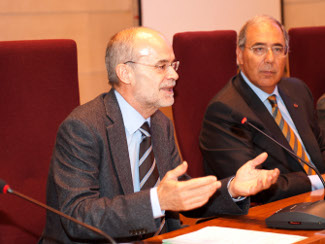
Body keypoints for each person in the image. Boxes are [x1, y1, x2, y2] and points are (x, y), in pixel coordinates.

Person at [39, 27, 279, 243]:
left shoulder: (160, 124)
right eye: (161, 66)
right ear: (125, 73)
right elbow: (77, 216)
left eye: (173, 65)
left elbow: (180, 193)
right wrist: (157, 201)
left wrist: (233, 188)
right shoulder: (83, 127)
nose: (174, 75)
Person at [200, 15, 325, 205]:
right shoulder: (225, 111)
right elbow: (256, 186)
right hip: (276, 213)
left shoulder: (298, 90)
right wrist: (318, 181)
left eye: (277, 49)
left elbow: (320, 149)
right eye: (259, 49)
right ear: (239, 55)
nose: (270, 59)